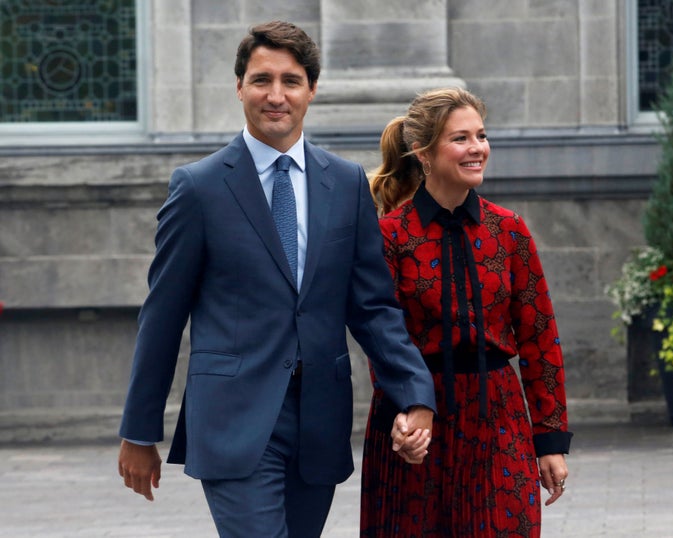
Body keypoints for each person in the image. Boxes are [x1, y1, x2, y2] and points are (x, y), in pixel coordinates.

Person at [117, 20, 436, 538]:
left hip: (318, 420)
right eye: (261, 80)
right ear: (239, 86)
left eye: (290, 81)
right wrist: (138, 431)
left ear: (312, 90)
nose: (275, 95)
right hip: (233, 420)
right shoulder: (198, 189)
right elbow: (163, 315)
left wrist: (414, 394)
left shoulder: (347, 183)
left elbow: (374, 308)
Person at [360, 87, 573, 537]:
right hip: (415, 424)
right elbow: (380, 334)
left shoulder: (509, 230)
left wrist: (550, 440)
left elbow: (540, 337)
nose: (477, 148)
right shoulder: (389, 236)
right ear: (423, 152)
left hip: (499, 420)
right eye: (460, 138)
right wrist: (405, 412)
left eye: (481, 135)